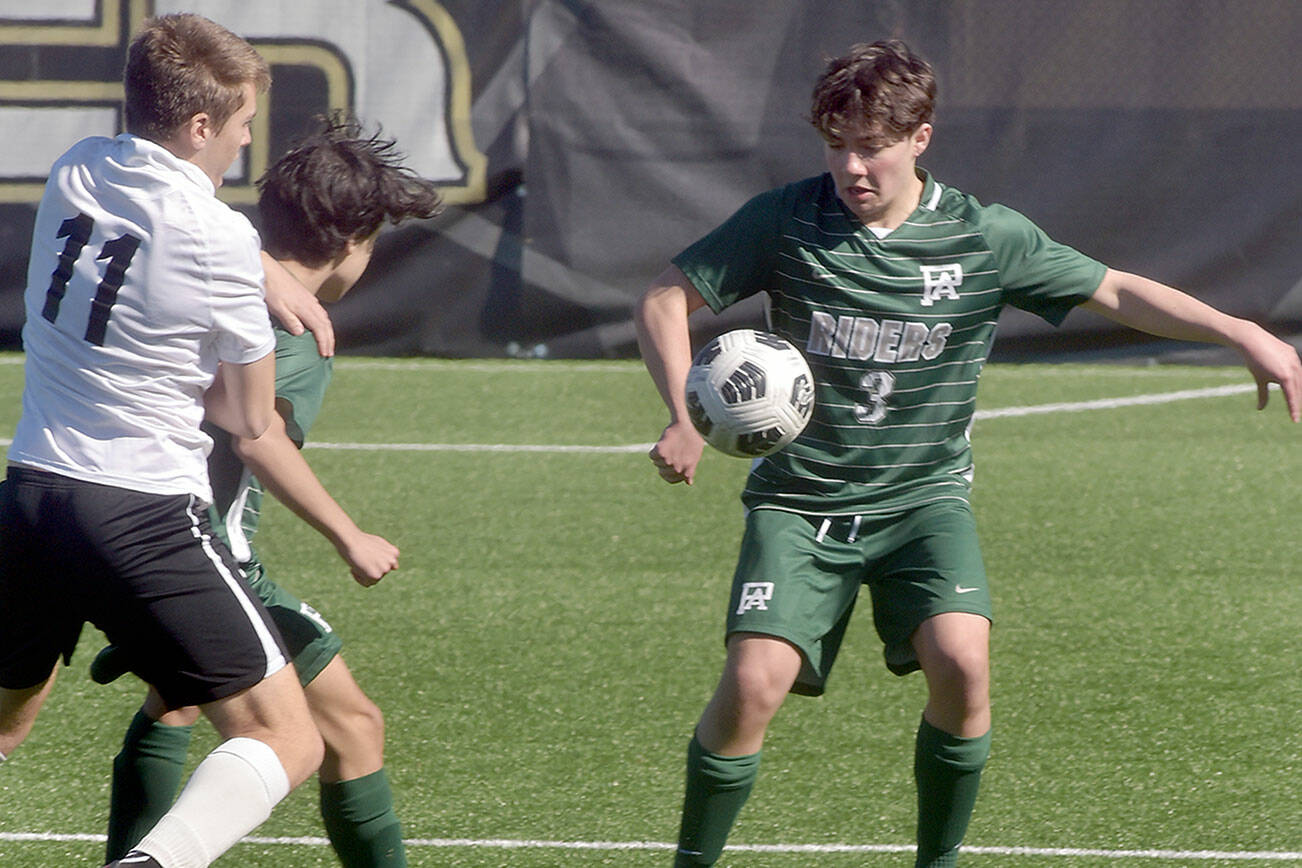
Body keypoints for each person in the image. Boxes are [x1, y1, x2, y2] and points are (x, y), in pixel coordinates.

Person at [635, 39, 1302, 868]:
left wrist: (1240, 331)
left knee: (962, 662)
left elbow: (1114, 289)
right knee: (751, 685)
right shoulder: (786, 220)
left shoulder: (983, 236)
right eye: (836, 145)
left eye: (871, 146)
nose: (852, 166)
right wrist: (684, 412)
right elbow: (666, 297)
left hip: (923, 502)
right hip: (801, 504)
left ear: (920, 138)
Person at [0, 14, 329, 868]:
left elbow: (162, 213)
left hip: (30, 496)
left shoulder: (76, 167)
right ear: (200, 125)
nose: (247, 140)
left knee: (5, 721)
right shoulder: (222, 240)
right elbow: (248, 420)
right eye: (243, 122)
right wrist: (257, 282)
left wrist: (259, 269)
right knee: (287, 737)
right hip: (141, 513)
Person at [95, 114, 444, 868]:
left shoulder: (208, 276)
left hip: (119, 523)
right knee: (351, 727)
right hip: (205, 554)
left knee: (176, 699)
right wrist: (350, 536)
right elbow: (255, 433)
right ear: (353, 243)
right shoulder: (298, 334)